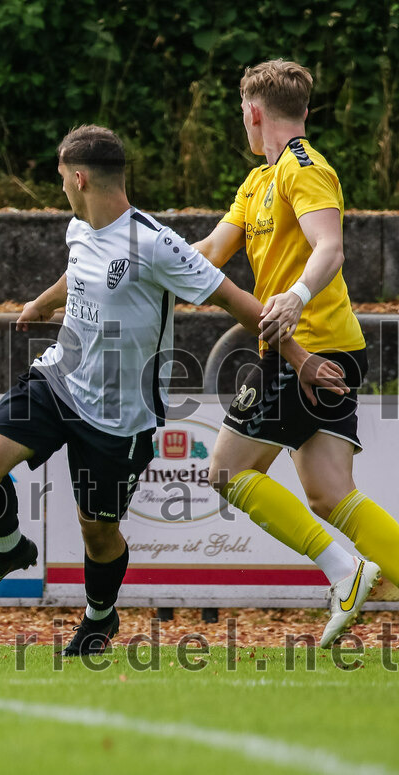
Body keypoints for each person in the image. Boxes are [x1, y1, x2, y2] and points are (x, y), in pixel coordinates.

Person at [0, 124, 347, 656]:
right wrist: (43, 303)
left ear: (80, 176)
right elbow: (77, 270)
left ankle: (99, 618)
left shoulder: (156, 244)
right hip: (58, 381)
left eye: (62, 178)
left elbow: (236, 300)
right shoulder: (78, 227)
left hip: (120, 417)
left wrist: (298, 359)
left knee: (99, 533)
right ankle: (8, 549)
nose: (62, 188)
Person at [194, 59, 398, 647]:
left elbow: (330, 247)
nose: (243, 123)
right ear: (300, 110)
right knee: (331, 494)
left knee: (228, 471)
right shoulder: (259, 181)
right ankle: (352, 569)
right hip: (317, 345)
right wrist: (146, 265)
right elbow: (208, 250)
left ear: (254, 113)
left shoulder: (304, 169)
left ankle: (346, 571)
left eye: (242, 115)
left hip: (310, 345)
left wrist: (297, 294)